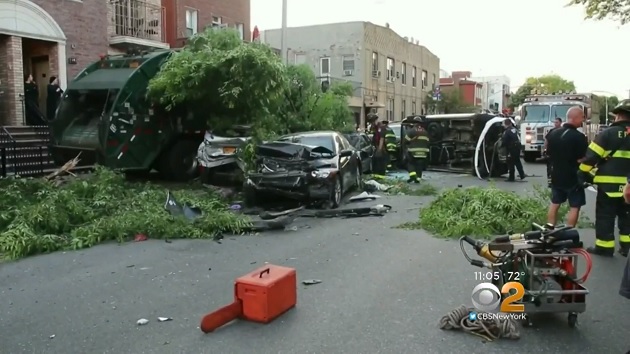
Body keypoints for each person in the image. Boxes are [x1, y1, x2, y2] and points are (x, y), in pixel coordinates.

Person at [578, 99, 630, 257]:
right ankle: (626, 247)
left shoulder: (607, 134)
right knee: (626, 217)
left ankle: (605, 247)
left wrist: (582, 173)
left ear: (619, 115)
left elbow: (591, 157)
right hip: (628, 188)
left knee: (605, 217)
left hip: (608, 187)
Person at [545, 107, 588, 227]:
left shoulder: (553, 133)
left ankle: (549, 228)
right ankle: (569, 232)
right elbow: (583, 157)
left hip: (556, 175)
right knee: (575, 206)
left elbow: (547, 152)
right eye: (582, 118)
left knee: (555, 203)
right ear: (576, 118)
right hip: (573, 177)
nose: (582, 121)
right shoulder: (579, 137)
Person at [404, 117, 429, 183]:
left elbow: (406, 140)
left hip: (413, 152)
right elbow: (428, 142)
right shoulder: (425, 131)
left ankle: (413, 177)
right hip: (423, 153)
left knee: (410, 164)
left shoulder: (412, 131)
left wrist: (410, 142)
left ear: (415, 123)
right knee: (419, 166)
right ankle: (418, 179)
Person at [544, 118, 563, 186]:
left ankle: (559, 181)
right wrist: (545, 149)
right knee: (550, 167)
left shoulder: (563, 131)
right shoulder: (552, 131)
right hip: (551, 152)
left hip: (560, 153)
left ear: (560, 123)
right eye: (555, 122)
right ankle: (550, 181)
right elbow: (547, 140)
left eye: (557, 122)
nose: (555, 124)